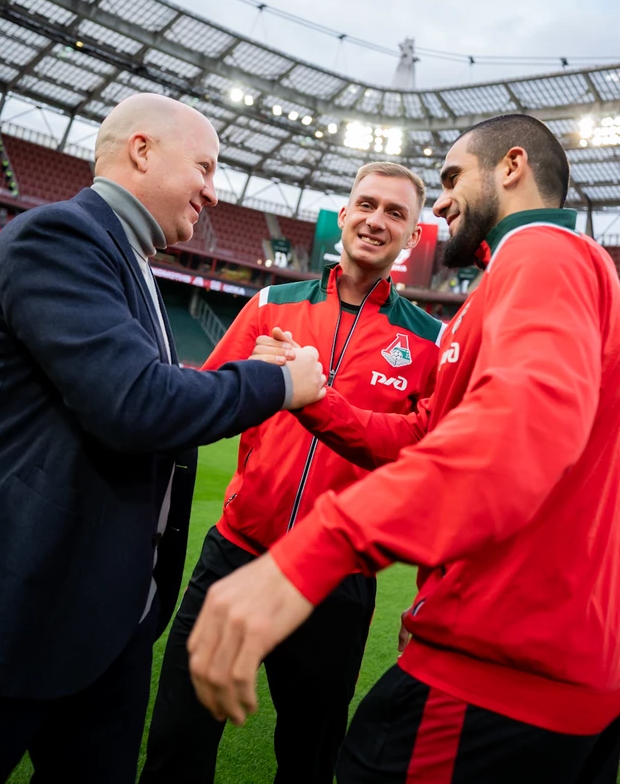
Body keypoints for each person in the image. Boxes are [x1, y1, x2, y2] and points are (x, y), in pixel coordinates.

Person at [188, 114, 620, 783]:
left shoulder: (542, 253)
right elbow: (424, 439)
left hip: (495, 668)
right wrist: (313, 398)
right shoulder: (521, 281)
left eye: (450, 179)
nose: (441, 204)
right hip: (543, 666)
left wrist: (318, 550)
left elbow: (517, 434)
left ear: (511, 167)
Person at [0, 92, 325, 784]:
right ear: (141, 151)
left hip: (110, 623)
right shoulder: (60, 238)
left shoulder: (129, 258)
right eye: (205, 168)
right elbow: (135, 404)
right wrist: (279, 383)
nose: (214, 193)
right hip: (20, 611)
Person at [140, 161, 444, 784]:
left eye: (395, 213)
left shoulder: (430, 342)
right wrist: (250, 380)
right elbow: (203, 405)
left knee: (309, 756)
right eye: (366, 205)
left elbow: (425, 464)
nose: (376, 221)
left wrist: (426, 600)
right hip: (236, 553)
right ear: (344, 213)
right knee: (177, 737)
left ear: (414, 236)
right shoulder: (270, 304)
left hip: (337, 576)